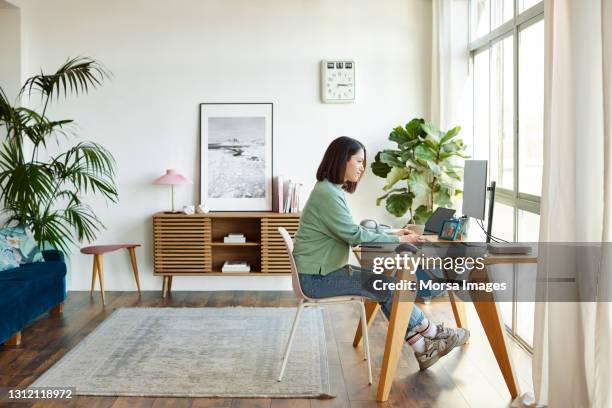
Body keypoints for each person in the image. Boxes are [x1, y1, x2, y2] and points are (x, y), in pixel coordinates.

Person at [293, 136, 469, 370]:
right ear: (342, 160)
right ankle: (434, 332)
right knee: (388, 287)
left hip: (321, 272)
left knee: (385, 286)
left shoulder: (329, 190)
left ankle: (423, 348)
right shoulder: (327, 194)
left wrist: (395, 232)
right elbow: (355, 236)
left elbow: (352, 229)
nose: (362, 167)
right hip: (317, 279)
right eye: (358, 161)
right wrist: (399, 238)